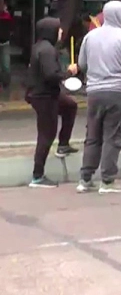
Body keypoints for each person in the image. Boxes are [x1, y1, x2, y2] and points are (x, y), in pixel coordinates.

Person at [77, 0, 121, 194]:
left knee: (92, 136)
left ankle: (85, 179)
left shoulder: (90, 37)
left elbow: (82, 64)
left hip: (93, 92)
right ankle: (107, 181)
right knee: (113, 137)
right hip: (118, 93)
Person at [25, 17, 79, 188]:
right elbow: (51, 75)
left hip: (45, 93)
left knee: (70, 106)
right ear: (50, 30)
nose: (61, 31)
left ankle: (63, 145)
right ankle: (37, 176)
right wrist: (69, 73)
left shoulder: (41, 46)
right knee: (46, 135)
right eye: (58, 28)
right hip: (44, 97)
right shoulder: (47, 50)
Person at [0, 0, 13, 97]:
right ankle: (3, 84)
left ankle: (5, 83)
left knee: (6, 66)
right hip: (5, 42)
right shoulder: (6, 16)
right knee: (5, 65)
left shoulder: (7, 16)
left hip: (5, 42)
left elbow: (11, 27)